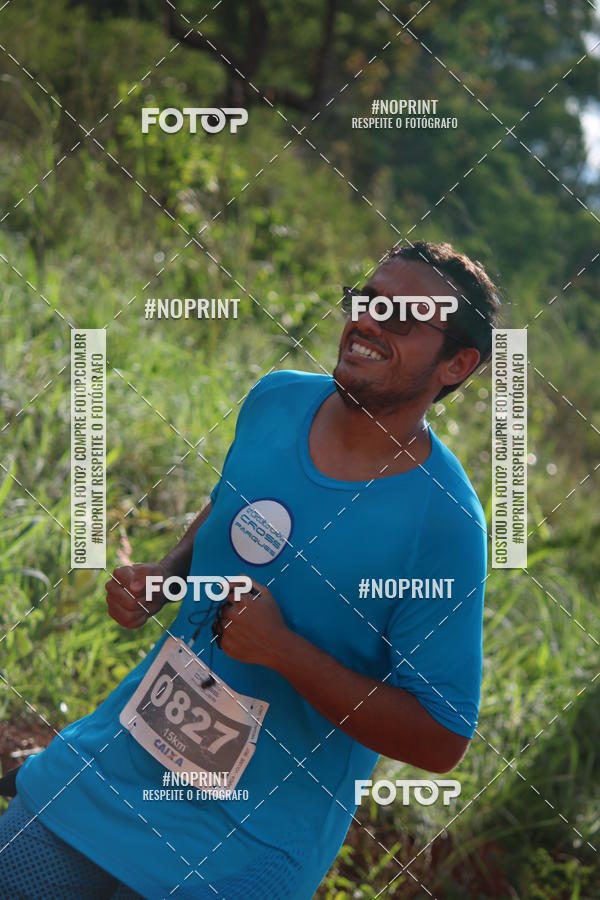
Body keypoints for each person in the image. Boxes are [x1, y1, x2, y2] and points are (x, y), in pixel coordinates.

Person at [0, 241, 500, 898]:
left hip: (243, 851)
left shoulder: (445, 524)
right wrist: (169, 575)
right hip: (112, 769)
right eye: (368, 300)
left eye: (403, 316)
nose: (371, 322)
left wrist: (284, 653)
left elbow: (442, 737)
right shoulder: (277, 401)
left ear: (457, 363)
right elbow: (230, 508)